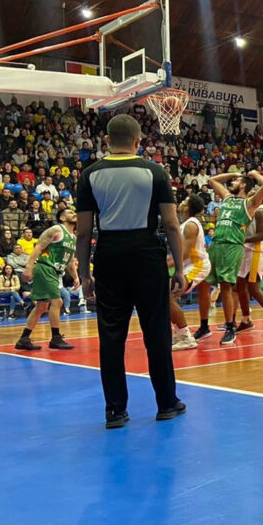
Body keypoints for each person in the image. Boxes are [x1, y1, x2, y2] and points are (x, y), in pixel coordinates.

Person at [75, 113, 186, 429]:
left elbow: (83, 232)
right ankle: (167, 403)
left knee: (111, 335)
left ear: (106, 141)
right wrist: (179, 267)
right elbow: (171, 224)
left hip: (109, 253)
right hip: (147, 253)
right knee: (157, 331)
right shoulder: (155, 172)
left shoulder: (90, 174)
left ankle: (115, 411)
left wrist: (84, 274)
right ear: (138, 142)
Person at [206, 170, 263, 345]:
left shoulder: (249, 203)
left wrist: (254, 174)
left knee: (227, 286)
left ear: (243, 185)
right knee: (206, 284)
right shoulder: (227, 198)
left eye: (235, 181)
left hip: (232, 246)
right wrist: (233, 173)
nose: (231, 182)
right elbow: (212, 180)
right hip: (217, 244)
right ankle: (205, 326)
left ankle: (230, 327)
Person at [15, 207, 79, 349]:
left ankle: (24, 339)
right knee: (57, 302)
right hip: (45, 267)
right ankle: (56, 338)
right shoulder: (56, 230)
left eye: (74, 212)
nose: (74, 214)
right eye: (70, 212)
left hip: (55, 272)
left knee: (42, 306)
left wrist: (75, 277)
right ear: (62, 218)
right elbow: (38, 247)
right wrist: (29, 267)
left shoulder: (73, 237)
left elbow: (70, 261)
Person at [170, 195, 210, 351]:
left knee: (167, 296)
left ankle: (186, 336)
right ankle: (178, 333)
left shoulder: (191, 225)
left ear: (188, 207)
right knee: (164, 295)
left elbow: (184, 254)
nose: (181, 202)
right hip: (188, 265)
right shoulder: (186, 224)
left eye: (185, 201)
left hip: (197, 265)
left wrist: (161, 264)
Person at [235, 197, 263, 336]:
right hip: (245, 251)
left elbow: (261, 235)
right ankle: (246, 320)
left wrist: (239, 239)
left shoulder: (261, 211)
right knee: (240, 286)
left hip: (256, 252)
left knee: (254, 289)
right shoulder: (246, 209)